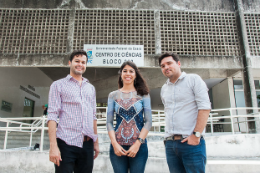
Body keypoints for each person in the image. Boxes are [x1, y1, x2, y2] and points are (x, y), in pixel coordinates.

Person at [47, 50, 99, 173]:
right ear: (70, 62)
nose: (80, 64)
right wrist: (53, 146)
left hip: (87, 144)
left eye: (83, 62)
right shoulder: (58, 85)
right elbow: (52, 115)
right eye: (77, 61)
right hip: (66, 143)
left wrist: (96, 143)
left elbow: (93, 116)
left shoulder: (90, 88)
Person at [159, 52, 211, 173]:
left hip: (191, 143)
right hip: (170, 145)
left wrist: (196, 135)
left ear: (178, 63)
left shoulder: (193, 79)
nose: (166, 67)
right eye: (162, 66)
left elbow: (204, 107)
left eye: (169, 63)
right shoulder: (164, 88)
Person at [106, 61, 152, 173]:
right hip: (118, 147)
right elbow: (109, 122)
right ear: (121, 74)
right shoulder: (113, 95)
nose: (128, 74)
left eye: (131, 71)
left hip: (138, 147)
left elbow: (148, 121)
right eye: (125, 71)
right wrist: (114, 144)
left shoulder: (143, 94)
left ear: (135, 75)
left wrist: (137, 144)